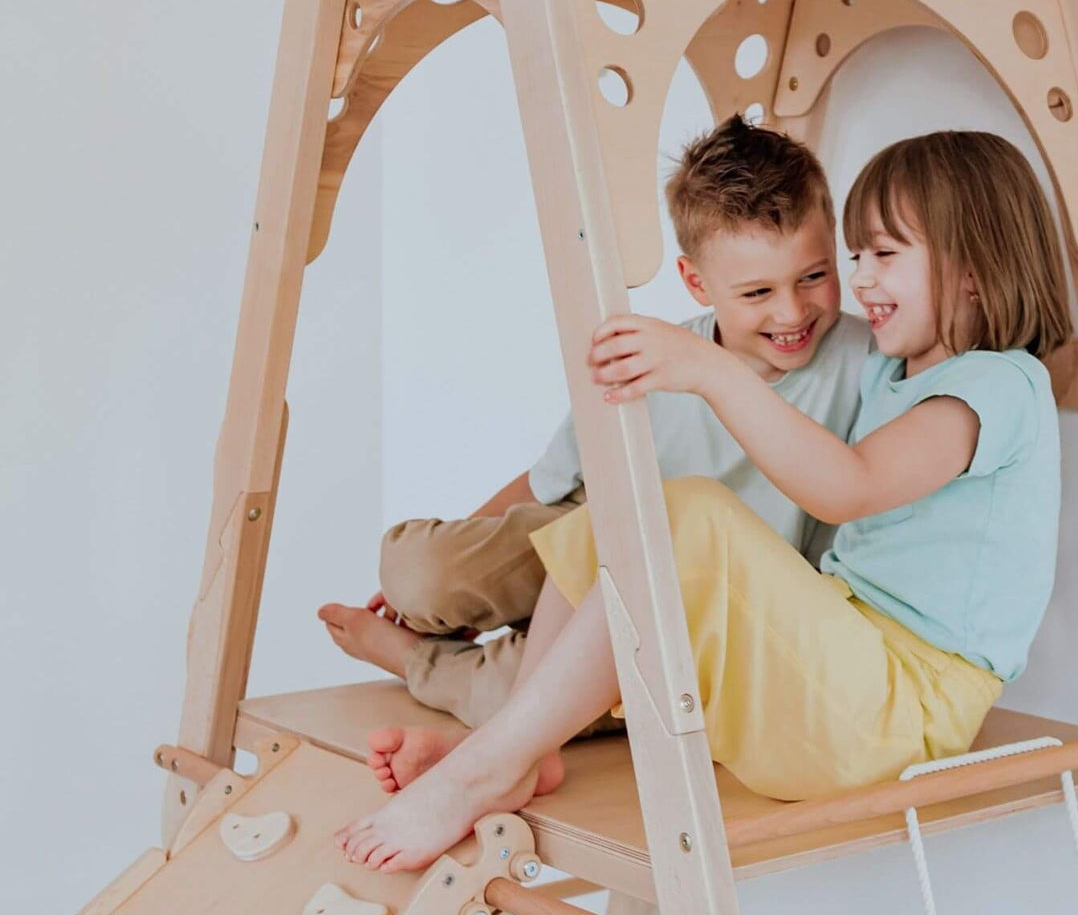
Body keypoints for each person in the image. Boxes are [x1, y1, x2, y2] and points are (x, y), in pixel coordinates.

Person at [336, 130, 1071, 871]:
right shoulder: (892, 371)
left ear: (971, 267)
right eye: (857, 256)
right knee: (629, 511)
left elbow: (851, 486)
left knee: (686, 513)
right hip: (844, 681)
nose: (862, 279)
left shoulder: (1001, 383)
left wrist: (711, 371)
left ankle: (483, 763)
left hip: (905, 714)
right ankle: (520, 752)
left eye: (882, 254)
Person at [318, 114, 872, 786]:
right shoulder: (657, 353)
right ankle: (432, 619)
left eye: (813, 276)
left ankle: (413, 661)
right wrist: (444, 585)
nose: (791, 312)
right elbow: (546, 482)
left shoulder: (864, 359)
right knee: (417, 569)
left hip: (683, 598)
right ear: (696, 282)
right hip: (586, 527)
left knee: (527, 704)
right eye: (757, 292)